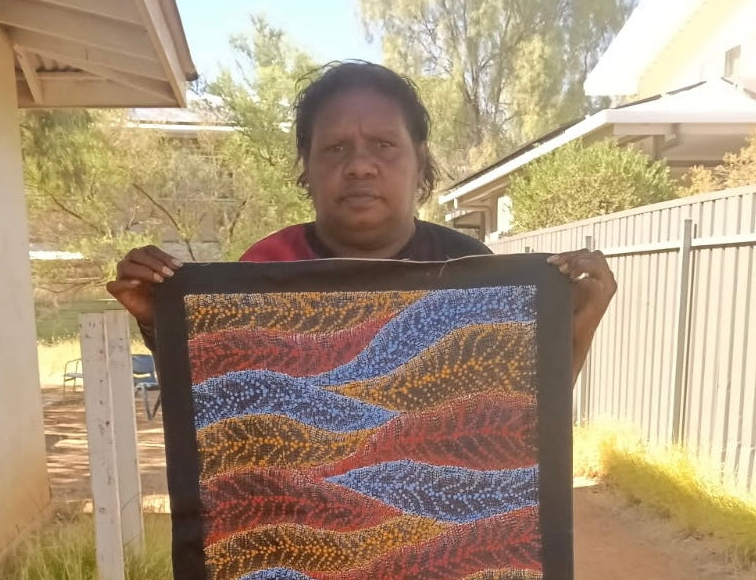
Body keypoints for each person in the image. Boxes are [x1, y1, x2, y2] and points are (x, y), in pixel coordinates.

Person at [108, 61, 616, 380]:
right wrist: (161, 321)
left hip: (433, 541)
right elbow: (220, 411)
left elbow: (516, 424)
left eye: (384, 145)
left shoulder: (472, 272)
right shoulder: (264, 267)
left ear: (420, 162)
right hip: (297, 539)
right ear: (305, 166)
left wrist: (576, 332)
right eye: (334, 148)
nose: (359, 165)